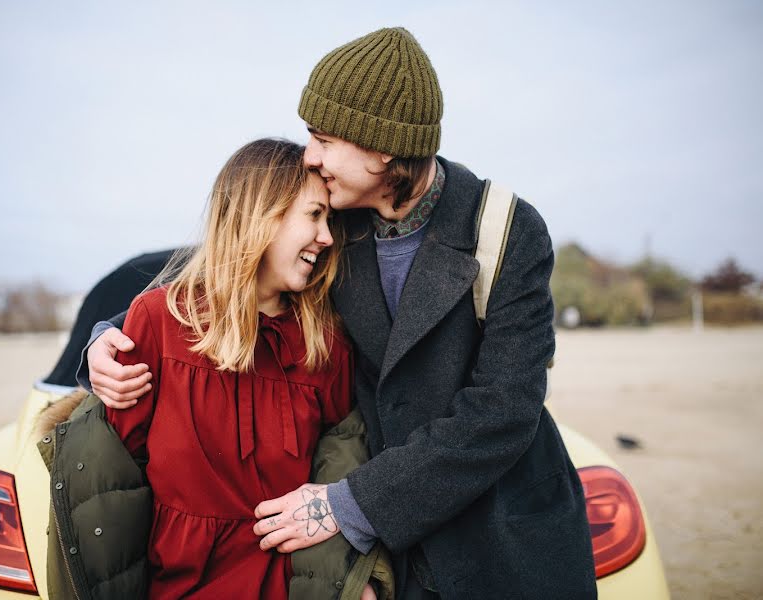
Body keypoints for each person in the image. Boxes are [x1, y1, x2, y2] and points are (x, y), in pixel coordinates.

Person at [85, 29, 597, 599]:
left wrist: (350, 505)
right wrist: (108, 340)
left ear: (383, 148)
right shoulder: (336, 228)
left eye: (323, 138)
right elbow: (228, 281)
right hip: (392, 560)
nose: (310, 155)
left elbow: (503, 410)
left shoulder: (505, 231)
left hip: (501, 539)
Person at [79, 138, 383, 599]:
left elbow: (338, 470)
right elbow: (116, 488)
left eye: (330, 220)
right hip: (177, 587)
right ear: (261, 216)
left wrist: (350, 583)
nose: (326, 237)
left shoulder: (327, 344)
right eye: (314, 215)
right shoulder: (159, 322)